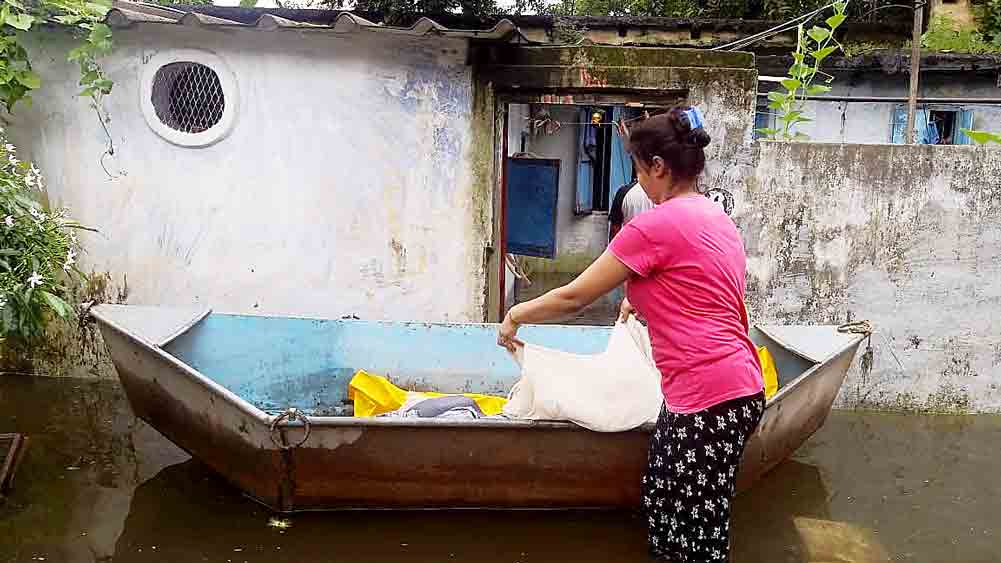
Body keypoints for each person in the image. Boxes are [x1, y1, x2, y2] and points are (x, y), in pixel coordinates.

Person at [497, 106, 764, 563]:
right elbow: (707, 292)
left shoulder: (654, 224)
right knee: (665, 501)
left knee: (690, 540)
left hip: (708, 398)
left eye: (639, 171)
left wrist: (515, 314)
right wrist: (637, 299)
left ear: (657, 167)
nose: (639, 183)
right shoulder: (715, 217)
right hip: (737, 389)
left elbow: (572, 299)